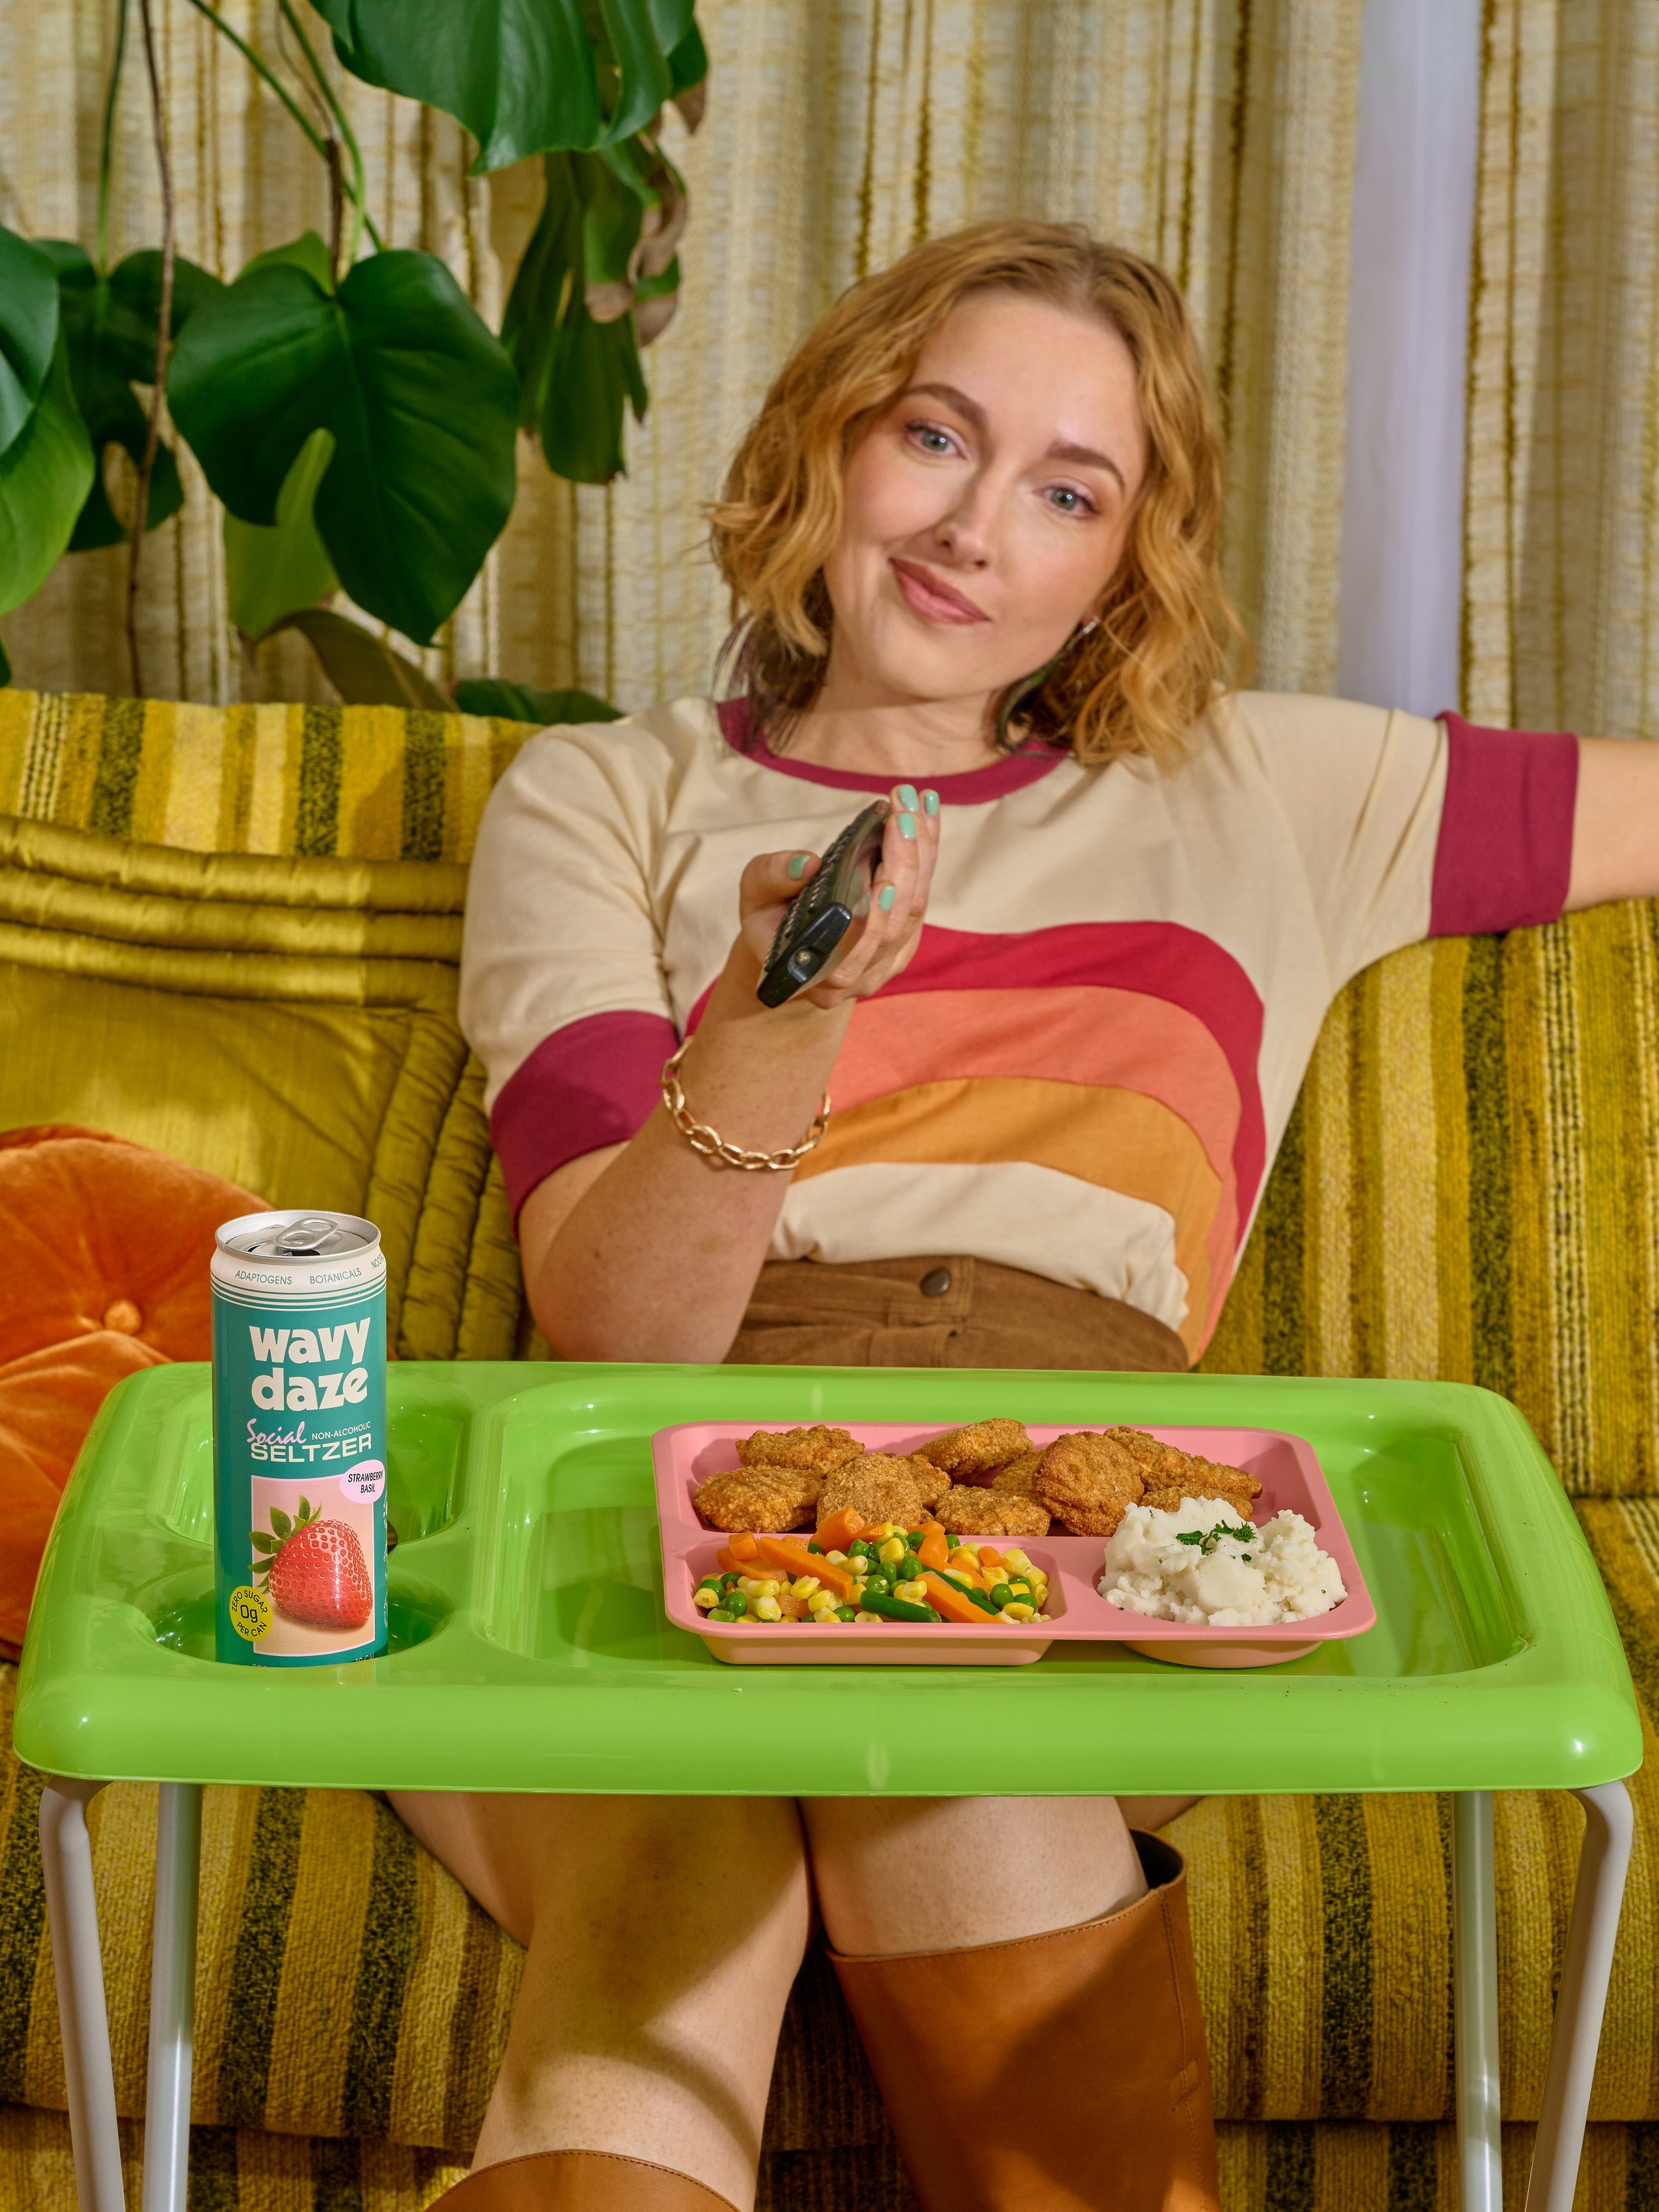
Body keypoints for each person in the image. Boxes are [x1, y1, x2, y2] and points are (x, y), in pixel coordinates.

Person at [396, 220, 1659, 2212]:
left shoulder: (1275, 790)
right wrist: (775, 1012)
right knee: (679, 1848)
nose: (975, 526)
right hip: (644, 1487)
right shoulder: (598, 795)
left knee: (950, 1771)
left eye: (1065, 490)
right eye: (934, 436)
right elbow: (619, 1336)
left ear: (1119, 566)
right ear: (830, 437)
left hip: (1056, 1536)